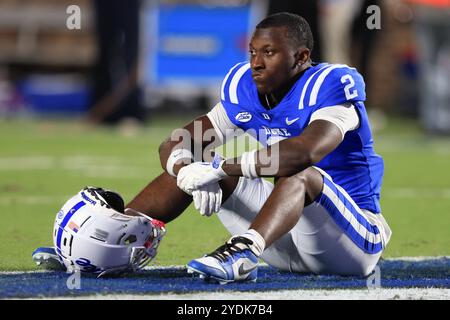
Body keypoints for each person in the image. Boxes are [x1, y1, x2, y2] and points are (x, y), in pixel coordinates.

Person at [33, 12, 391, 284]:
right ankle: (107, 241)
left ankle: (242, 254)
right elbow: (179, 139)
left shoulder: (330, 84)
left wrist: (221, 170)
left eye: (270, 52)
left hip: (352, 243)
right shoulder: (244, 87)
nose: (256, 62)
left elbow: (302, 153)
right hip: (284, 240)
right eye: (253, 51)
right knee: (197, 163)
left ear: (301, 58)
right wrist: (185, 168)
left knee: (298, 173)